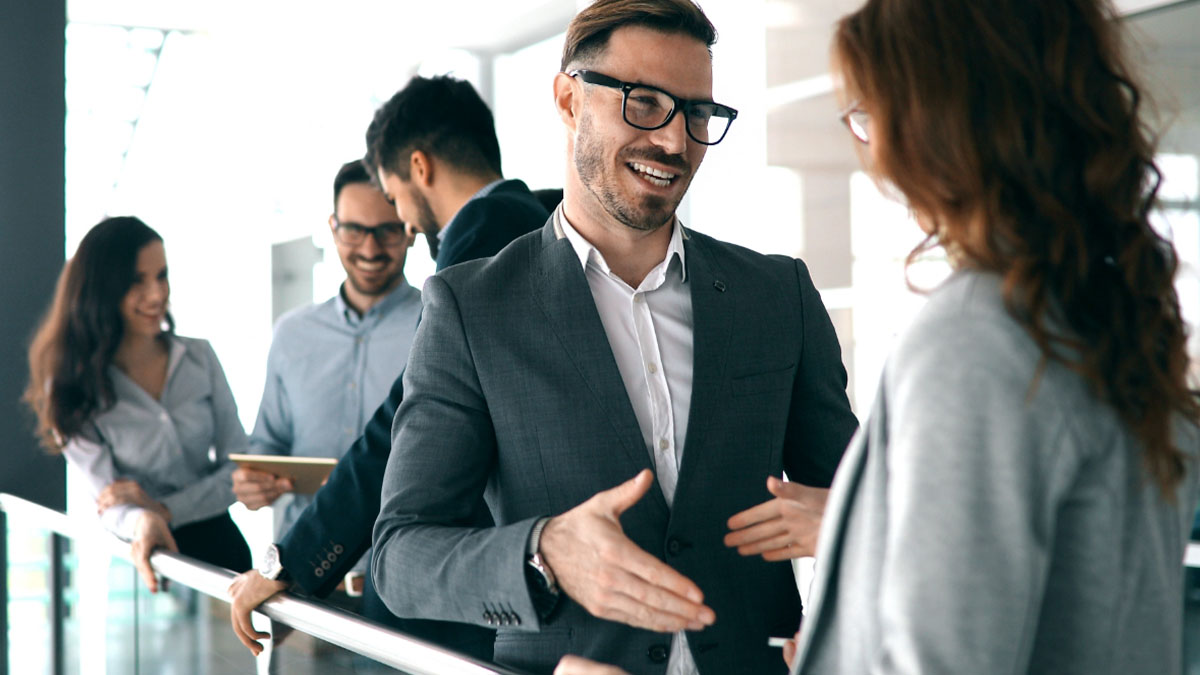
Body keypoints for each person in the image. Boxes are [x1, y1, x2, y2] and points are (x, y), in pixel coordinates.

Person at [370, 1, 858, 673]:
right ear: (568, 98)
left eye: (696, 113)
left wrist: (850, 523)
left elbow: (857, 500)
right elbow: (402, 555)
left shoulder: (778, 296)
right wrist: (545, 554)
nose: (674, 142)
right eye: (645, 102)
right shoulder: (471, 308)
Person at [785, 1, 1200, 674]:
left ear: (941, 122)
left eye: (871, 114)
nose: (873, 153)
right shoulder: (1105, 314)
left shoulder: (977, 337)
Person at [227, 75, 549, 660]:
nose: (402, 223)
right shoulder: (532, 221)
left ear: (419, 167)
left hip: (461, 594)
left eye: (394, 201)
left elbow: (408, 425)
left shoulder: (484, 242)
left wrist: (290, 560)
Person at [24, 216, 252, 592]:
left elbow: (239, 471)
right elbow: (109, 504)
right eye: (136, 281)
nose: (156, 294)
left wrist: (161, 508)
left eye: (161, 276)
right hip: (142, 563)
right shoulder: (72, 389)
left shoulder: (200, 357)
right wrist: (144, 519)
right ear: (101, 290)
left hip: (224, 558)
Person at [231, 159, 419, 590]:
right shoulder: (292, 334)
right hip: (299, 583)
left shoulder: (437, 324)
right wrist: (252, 484)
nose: (370, 250)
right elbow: (267, 443)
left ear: (409, 229)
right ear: (333, 228)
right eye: (354, 230)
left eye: (387, 231)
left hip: (397, 585)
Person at [367, 74, 551, 270]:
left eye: (393, 198)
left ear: (420, 167)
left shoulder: (472, 244)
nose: (408, 227)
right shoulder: (533, 213)